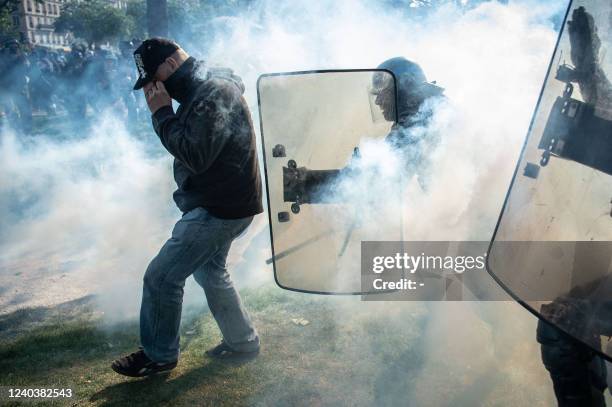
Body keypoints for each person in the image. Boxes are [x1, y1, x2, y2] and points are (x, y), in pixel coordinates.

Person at [111, 38, 263, 377]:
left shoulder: (213, 91)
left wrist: (162, 113)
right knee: (210, 273)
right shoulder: (204, 89)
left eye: (153, 79)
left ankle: (159, 355)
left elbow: (195, 153)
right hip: (225, 203)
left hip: (218, 208)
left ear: (169, 65)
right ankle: (243, 342)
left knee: (162, 277)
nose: (152, 88)